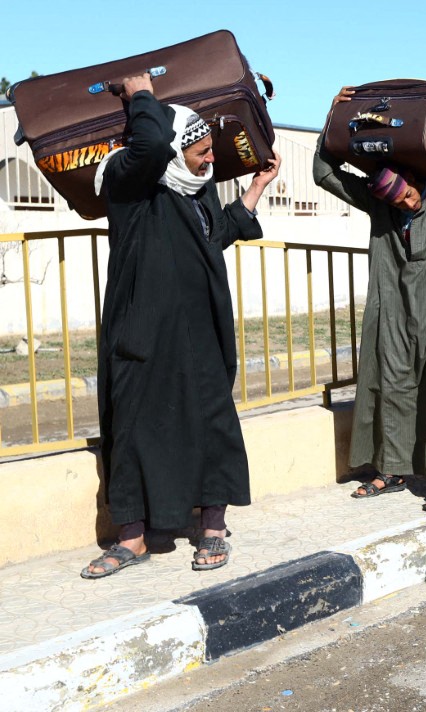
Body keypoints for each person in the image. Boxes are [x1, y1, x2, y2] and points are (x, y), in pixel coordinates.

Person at [84, 73, 281, 578]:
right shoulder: (131, 183)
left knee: (211, 423)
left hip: (200, 331)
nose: (210, 159)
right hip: (142, 332)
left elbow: (212, 239)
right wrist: (141, 94)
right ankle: (132, 538)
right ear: (174, 149)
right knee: (131, 429)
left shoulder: (199, 191)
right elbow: (149, 143)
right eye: (201, 152)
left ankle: (212, 527)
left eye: (212, 150)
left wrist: (255, 191)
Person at [313, 86, 426, 512]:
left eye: (408, 195)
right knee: (392, 387)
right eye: (395, 201)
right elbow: (324, 173)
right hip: (395, 309)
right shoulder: (381, 205)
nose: (404, 203)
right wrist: (333, 115)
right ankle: (392, 469)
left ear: (416, 181)